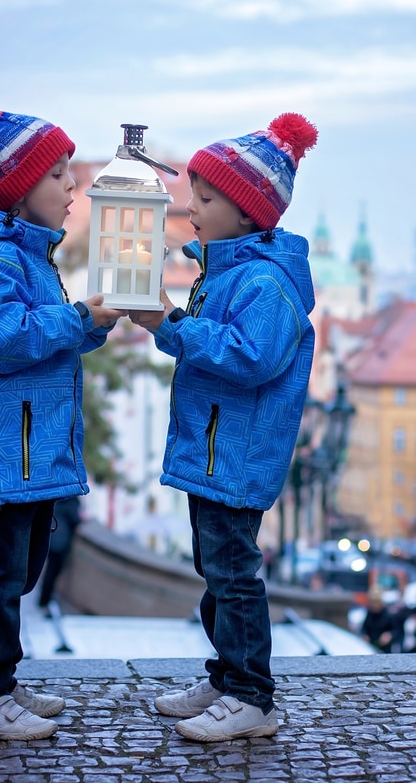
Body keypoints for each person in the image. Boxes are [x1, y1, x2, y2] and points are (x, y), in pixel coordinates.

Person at [0, 90, 125, 741]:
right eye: (58, 174)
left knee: (16, 572)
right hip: (2, 447)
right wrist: (74, 319)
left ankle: (0, 686)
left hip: (28, 448)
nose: (73, 186)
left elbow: (41, 339)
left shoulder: (26, 252)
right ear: (16, 188)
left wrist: (89, 325)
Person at [128, 113, 319, 742]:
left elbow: (250, 357)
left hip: (236, 455)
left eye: (205, 198)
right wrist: (173, 323)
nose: (191, 208)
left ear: (247, 211)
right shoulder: (231, 270)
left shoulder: (264, 280)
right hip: (214, 450)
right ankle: (225, 675)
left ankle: (252, 697)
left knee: (235, 574)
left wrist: (172, 326)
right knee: (217, 571)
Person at [37, 496, 83, 615]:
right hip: (60, 542)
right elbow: (75, 519)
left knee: (49, 571)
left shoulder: (56, 497)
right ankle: (46, 601)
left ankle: (43, 600)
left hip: (50, 538)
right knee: (53, 572)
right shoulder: (72, 500)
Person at [360, 587, 398, 653]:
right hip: (371, 648)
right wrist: (364, 635)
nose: (374, 605)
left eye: (375, 602)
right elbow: (364, 628)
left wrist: (389, 635)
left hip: (385, 649)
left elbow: (396, 630)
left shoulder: (388, 614)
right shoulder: (369, 613)